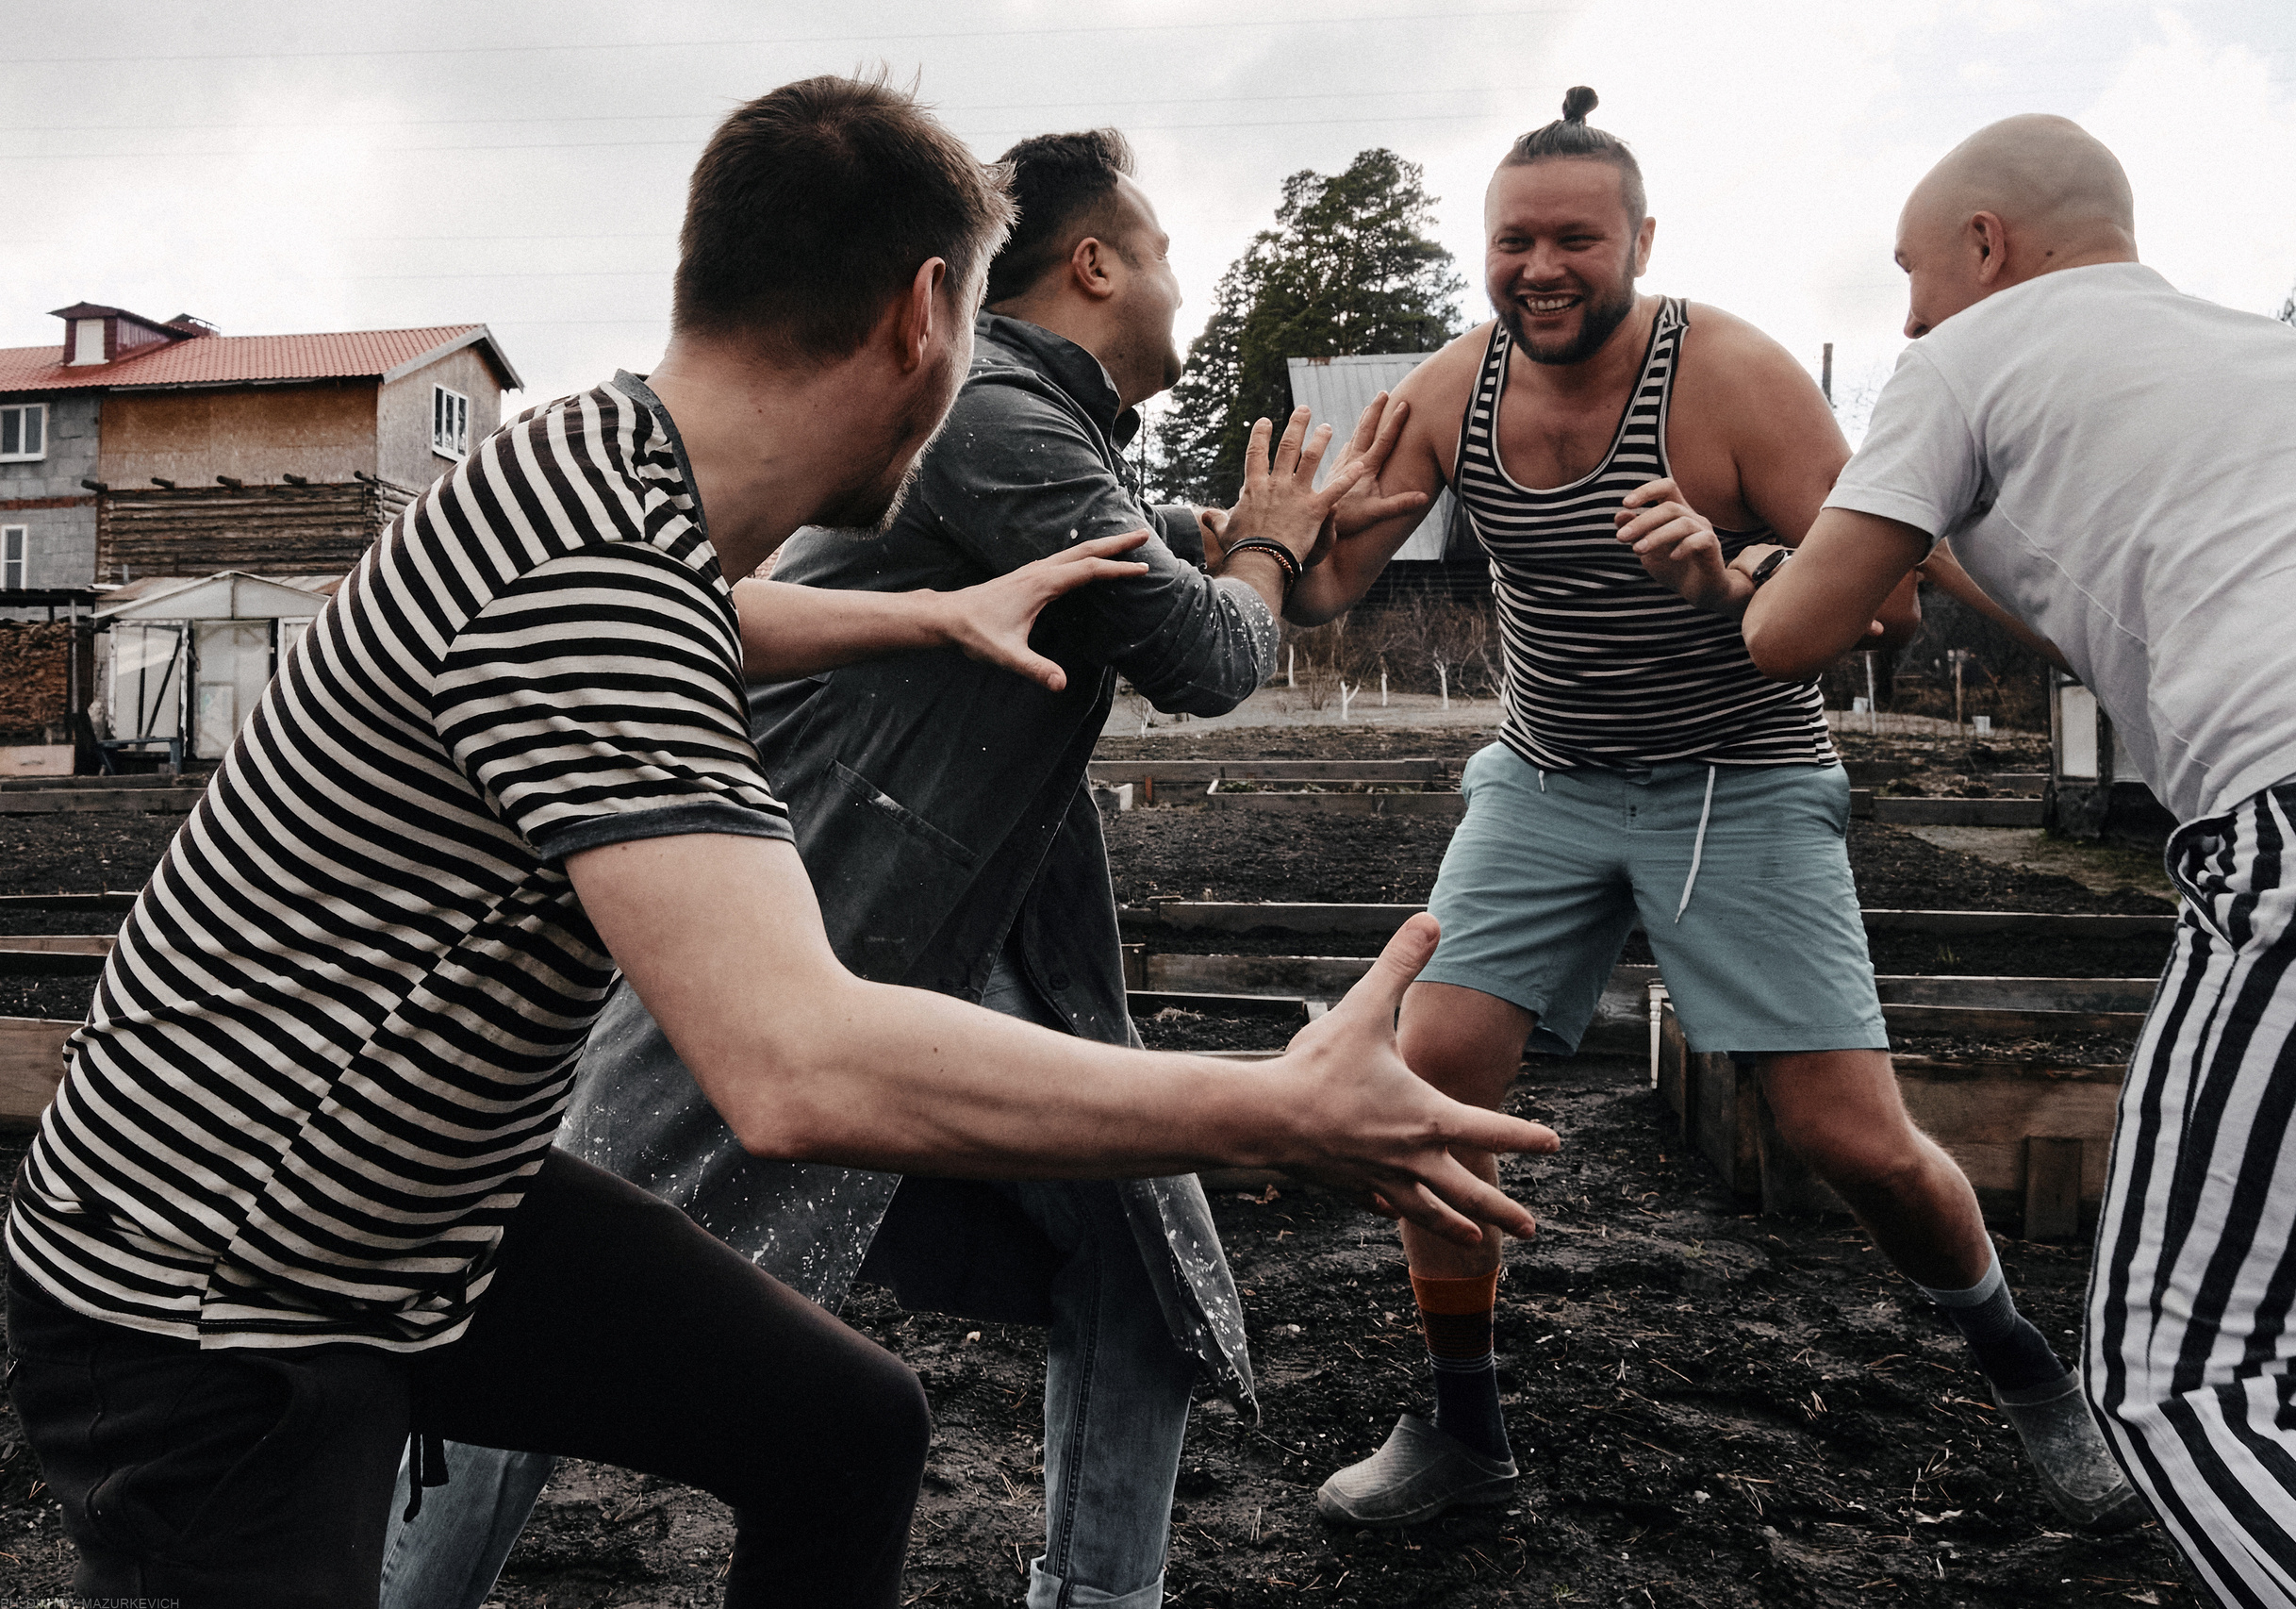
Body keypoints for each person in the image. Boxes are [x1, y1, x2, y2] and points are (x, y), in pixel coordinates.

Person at [0, 76, 1561, 1609]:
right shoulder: (596, 582)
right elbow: (799, 1070)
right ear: (930, 312)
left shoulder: (591, 463)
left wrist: (924, 610)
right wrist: (1272, 1106)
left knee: (846, 1429)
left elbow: (707, 612)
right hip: (214, 1294)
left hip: (416, 1203)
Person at [378, 127, 1420, 1609]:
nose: (1182, 277)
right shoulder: (990, 403)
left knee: (1133, 1280)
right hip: (783, 915)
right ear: (1091, 262)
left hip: (962, 944)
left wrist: (1255, 536)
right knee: (544, 1290)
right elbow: (1201, 648)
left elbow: (1125, 549)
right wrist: (1256, 555)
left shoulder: (1026, 429)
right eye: (1168, 246)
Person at [1289, 88, 2141, 1532]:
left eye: (1576, 238)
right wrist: (1279, 539)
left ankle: (2032, 1376)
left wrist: (1727, 582)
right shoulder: (1449, 393)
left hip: (1738, 786)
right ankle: (1459, 1431)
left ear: (1641, 240)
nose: (1541, 267)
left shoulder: (1732, 380)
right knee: (1422, 1094)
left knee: (1852, 1138)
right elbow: (1322, 597)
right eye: (1514, 241)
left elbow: (1890, 605)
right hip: (1544, 782)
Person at [1735, 112, 2296, 1609]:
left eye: (1915, 275)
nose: (1907, 314)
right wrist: (1933, 535)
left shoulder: (1964, 359)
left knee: (2194, 1387)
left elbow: (1792, 637)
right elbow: (2107, 623)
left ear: (1990, 245)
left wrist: (1761, 575)